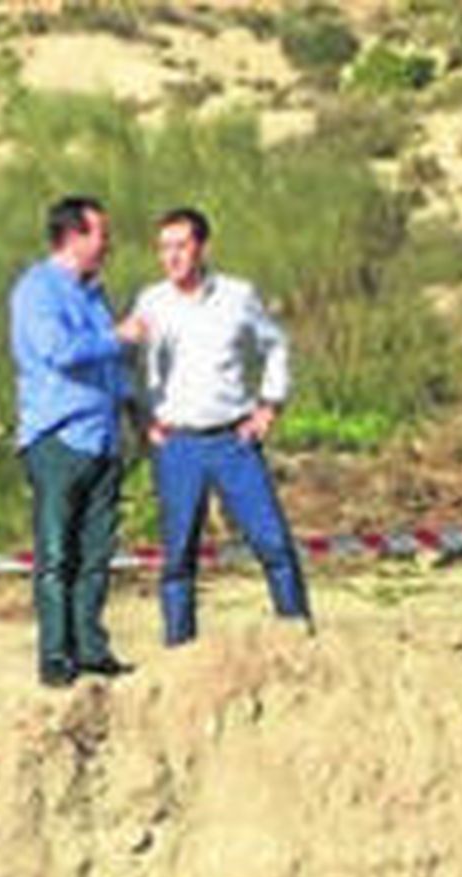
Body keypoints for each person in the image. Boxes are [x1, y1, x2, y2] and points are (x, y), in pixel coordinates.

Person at [126, 207, 311, 647]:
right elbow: (126, 364)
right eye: (164, 248)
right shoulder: (150, 303)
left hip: (233, 439)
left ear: (201, 247)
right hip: (177, 444)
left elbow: (276, 345)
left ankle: (298, 637)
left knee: (273, 544)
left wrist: (269, 405)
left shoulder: (236, 295)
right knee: (178, 557)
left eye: (180, 246)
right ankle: (180, 653)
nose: (171, 257)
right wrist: (140, 419)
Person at [8, 195, 137, 687]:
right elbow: (57, 351)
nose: (108, 244)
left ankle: (91, 647)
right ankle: (55, 654)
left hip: (102, 439)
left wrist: (135, 409)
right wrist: (119, 337)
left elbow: (110, 362)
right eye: (101, 234)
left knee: (97, 553)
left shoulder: (94, 294)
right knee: (57, 553)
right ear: (74, 236)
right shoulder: (36, 291)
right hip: (58, 439)